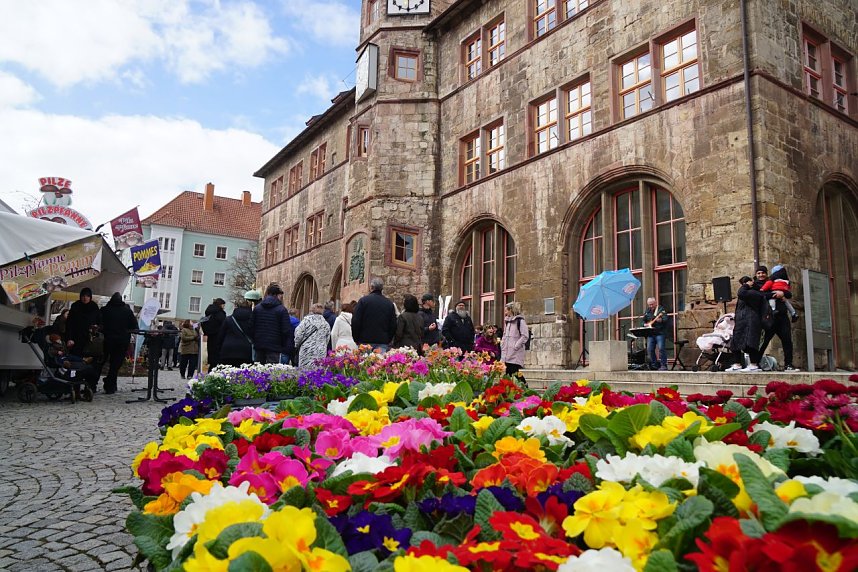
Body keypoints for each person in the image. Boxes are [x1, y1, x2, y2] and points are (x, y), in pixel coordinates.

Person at [756, 265, 798, 371]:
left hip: (782, 316)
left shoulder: (776, 280)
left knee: (787, 340)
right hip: (769, 317)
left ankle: (788, 364)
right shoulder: (760, 284)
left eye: (763, 273)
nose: (761, 275)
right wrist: (775, 294)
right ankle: (755, 363)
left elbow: (788, 293)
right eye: (759, 273)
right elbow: (760, 295)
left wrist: (782, 293)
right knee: (764, 341)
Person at [726, 275, 767, 372]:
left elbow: (741, 293)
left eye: (745, 283)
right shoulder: (747, 292)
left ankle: (753, 364)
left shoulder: (755, 293)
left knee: (750, 343)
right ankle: (737, 364)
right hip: (741, 321)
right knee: (735, 343)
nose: (743, 285)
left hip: (751, 321)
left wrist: (747, 285)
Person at [99, 292, 137, 394]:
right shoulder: (127, 311)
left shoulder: (105, 310)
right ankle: (110, 385)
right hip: (122, 341)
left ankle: (94, 384)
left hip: (107, 340)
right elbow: (134, 326)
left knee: (100, 362)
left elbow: (99, 324)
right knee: (115, 364)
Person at [250, 284, 294, 364]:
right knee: (272, 372)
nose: (281, 298)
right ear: (276, 295)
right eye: (280, 295)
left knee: (257, 371)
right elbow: (286, 330)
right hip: (275, 346)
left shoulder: (257, 308)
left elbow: (251, 327)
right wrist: (283, 344)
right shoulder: (282, 309)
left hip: (259, 344)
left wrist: (254, 340)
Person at [351, 278, 397, 351]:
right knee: (379, 362)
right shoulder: (389, 304)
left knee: (364, 362)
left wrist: (356, 338)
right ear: (382, 288)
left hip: (364, 341)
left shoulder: (363, 301)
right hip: (382, 341)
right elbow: (393, 324)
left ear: (371, 287)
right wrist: (388, 339)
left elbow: (356, 321)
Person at [216, 302, 254, 367]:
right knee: (244, 374)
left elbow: (221, 336)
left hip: (228, 350)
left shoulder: (228, 319)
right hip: (245, 351)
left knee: (228, 374)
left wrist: (219, 350)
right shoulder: (252, 320)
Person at [294, 303, 332, 368]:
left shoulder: (306, 321)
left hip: (306, 350)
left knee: (305, 372)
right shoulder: (326, 324)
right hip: (320, 351)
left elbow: (298, 334)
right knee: (318, 372)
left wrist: (297, 345)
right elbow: (327, 339)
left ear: (311, 310)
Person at [66, 287, 101, 357]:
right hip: (76, 336)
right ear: (80, 296)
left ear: (90, 297)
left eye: (87, 296)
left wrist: (96, 328)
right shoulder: (75, 306)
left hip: (89, 338)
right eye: (83, 296)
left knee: (87, 358)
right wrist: (69, 338)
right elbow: (69, 323)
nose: (85, 298)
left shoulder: (94, 307)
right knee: (75, 357)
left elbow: (99, 322)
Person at [500, 302, 528, 381]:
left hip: (515, 352)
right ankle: (508, 389)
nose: (505, 313)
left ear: (510, 310)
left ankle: (525, 387)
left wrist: (516, 346)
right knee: (509, 373)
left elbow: (525, 336)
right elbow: (505, 335)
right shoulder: (508, 322)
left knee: (514, 372)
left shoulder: (520, 321)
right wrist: (503, 344)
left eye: (506, 311)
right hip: (507, 352)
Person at [641, 297, 669, 370]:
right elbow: (643, 321)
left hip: (660, 333)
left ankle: (664, 365)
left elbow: (666, 318)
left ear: (656, 303)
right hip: (651, 333)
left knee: (661, 348)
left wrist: (661, 320)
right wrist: (644, 324)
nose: (651, 306)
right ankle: (655, 365)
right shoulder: (647, 311)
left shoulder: (661, 309)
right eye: (649, 305)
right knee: (649, 349)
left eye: (652, 304)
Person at [201, 298, 226, 369]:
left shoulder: (208, 312)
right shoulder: (220, 313)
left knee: (211, 353)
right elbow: (223, 324)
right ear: (220, 305)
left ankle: (211, 368)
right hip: (218, 335)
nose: (224, 307)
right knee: (217, 355)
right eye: (223, 305)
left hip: (210, 335)